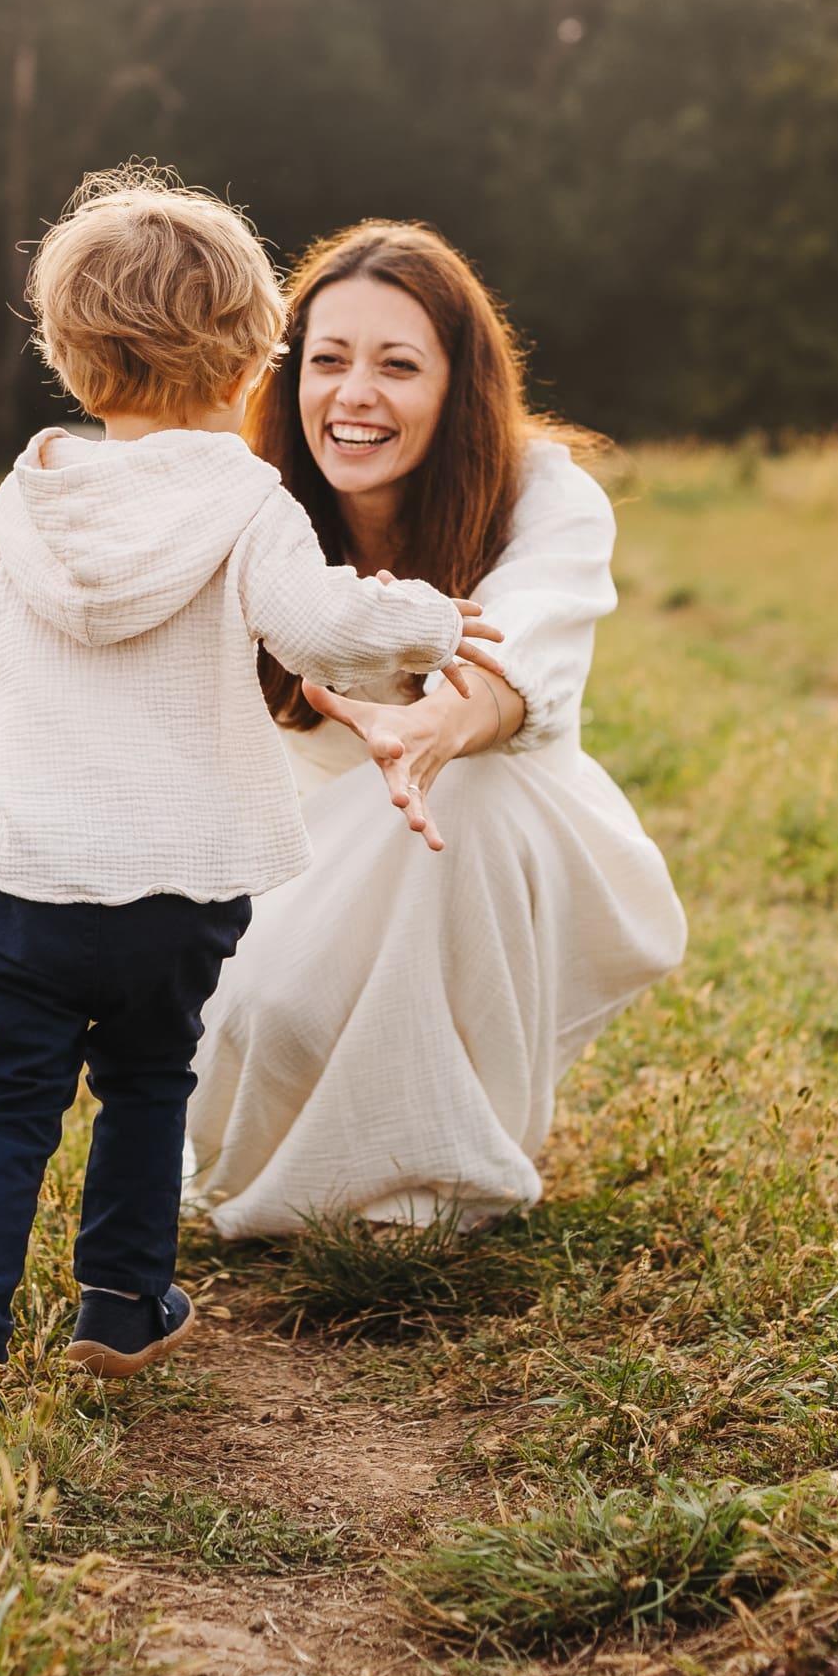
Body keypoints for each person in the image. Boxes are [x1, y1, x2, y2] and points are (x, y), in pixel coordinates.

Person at [0, 170, 501, 1425]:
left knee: (3, 1099)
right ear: (253, 360)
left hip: (23, 871)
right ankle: (121, 1304)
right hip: (177, 878)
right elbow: (322, 630)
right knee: (146, 1075)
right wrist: (431, 613)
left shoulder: (34, 485)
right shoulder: (244, 497)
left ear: (70, 355)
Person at [184, 222, 688, 1237]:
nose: (353, 393)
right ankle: (305, 1158)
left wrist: (433, 730)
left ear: (459, 387)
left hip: (497, 826)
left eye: (397, 365)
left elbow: (522, 656)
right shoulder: (247, 506)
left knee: (470, 793)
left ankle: (443, 1180)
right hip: (294, 834)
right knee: (268, 1016)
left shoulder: (544, 494)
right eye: (326, 360)